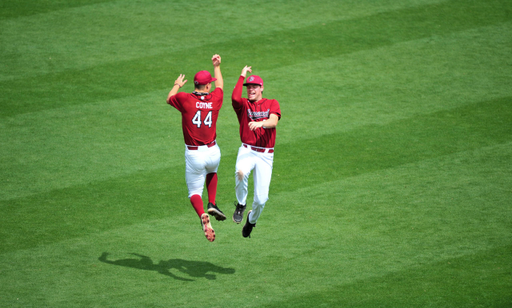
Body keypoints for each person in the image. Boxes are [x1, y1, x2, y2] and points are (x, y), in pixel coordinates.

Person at [166, 54, 226, 242]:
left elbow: (169, 98)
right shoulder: (215, 99)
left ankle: (202, 214)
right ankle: (213, 202)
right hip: (213, 151)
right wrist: (217, 66)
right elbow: (221, 87)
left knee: (194, 192)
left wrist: (177, 84)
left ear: (195, 84)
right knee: (212, 170)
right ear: (208, 86)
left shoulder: (184, 99)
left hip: (194, 154)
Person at [231, 65, 281, 238]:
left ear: (261, 88)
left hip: (266, 155)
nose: (250, 89)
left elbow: (273, 121)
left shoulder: (271, 103)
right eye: (248, 87)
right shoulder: (243, 105)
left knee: (261, 200)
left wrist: (261, 123)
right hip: (247, 150)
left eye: (254, 86)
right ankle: (241, 204)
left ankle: (251, 221)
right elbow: (234, 97)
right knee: (240, 172)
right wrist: (242, 75)